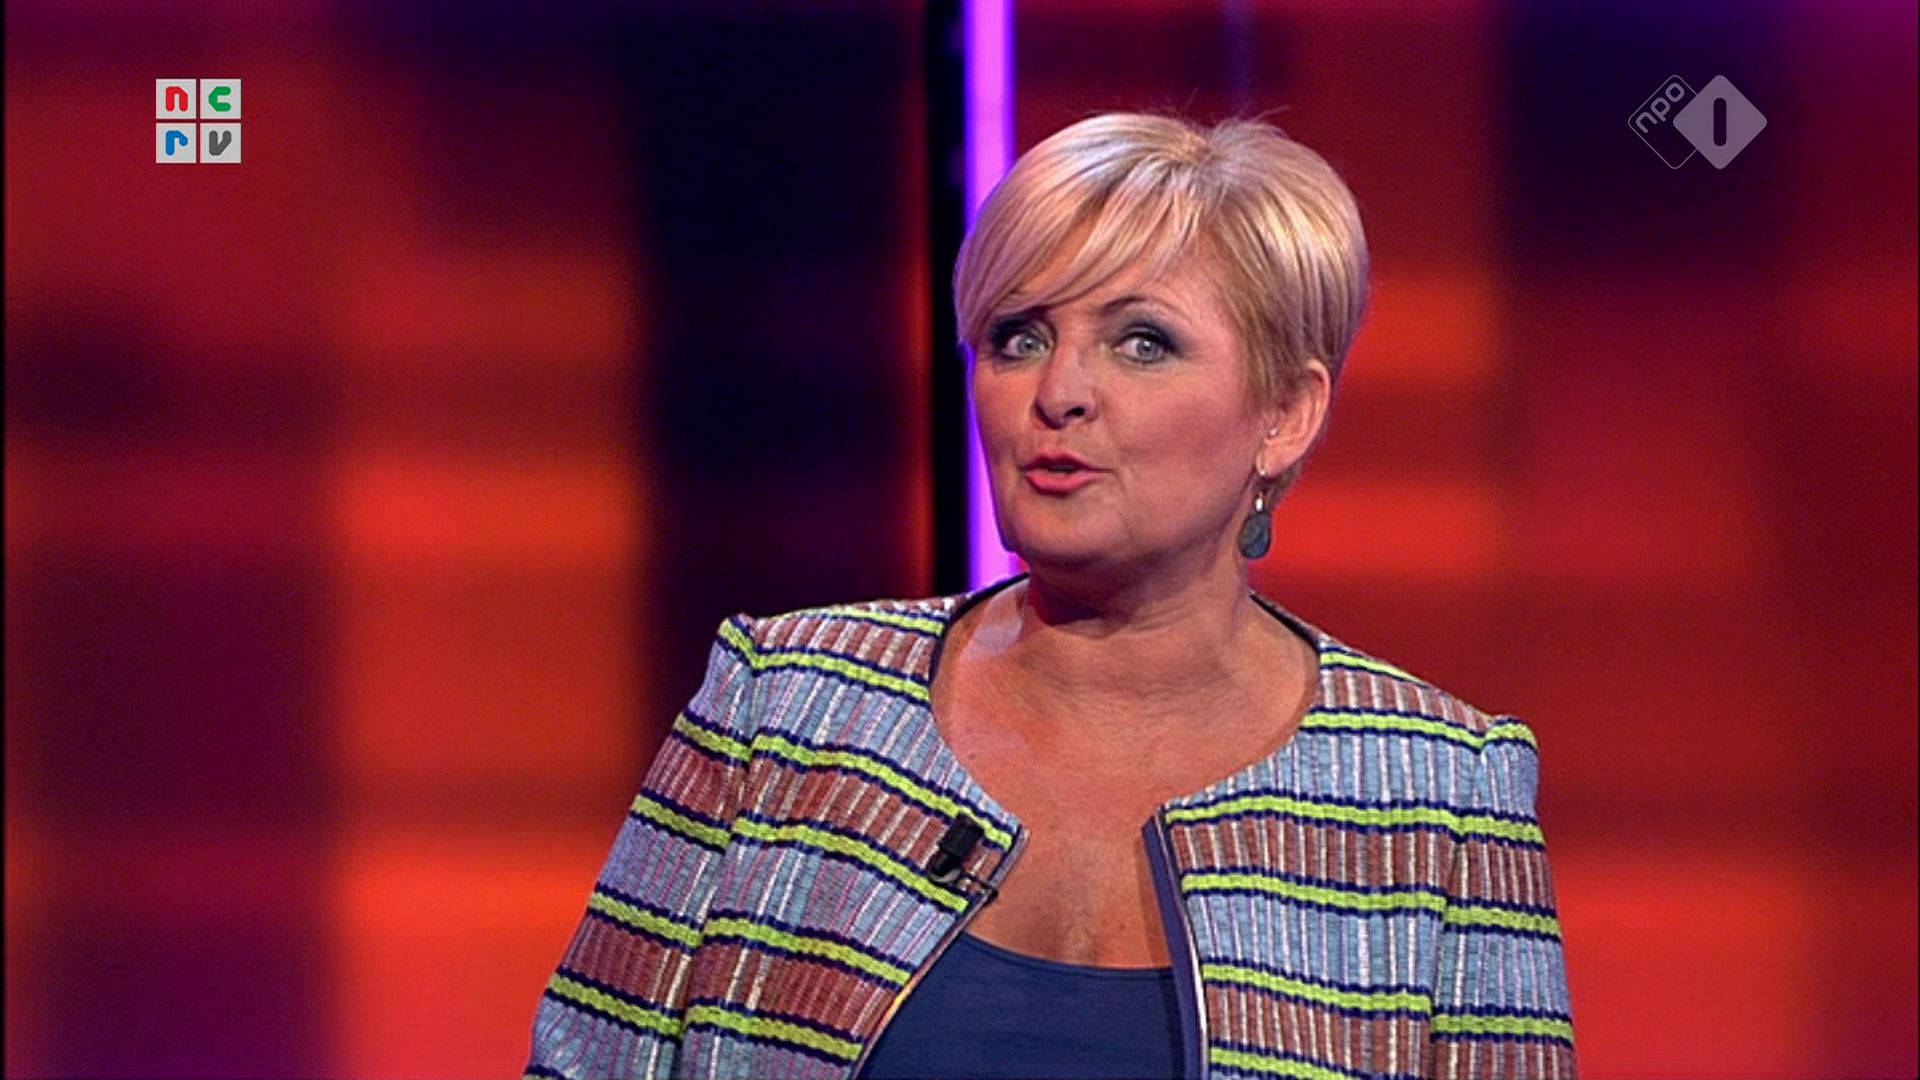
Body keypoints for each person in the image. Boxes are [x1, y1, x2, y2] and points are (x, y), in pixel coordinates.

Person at [525, 111, 1576, 1080]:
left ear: (1286, 414)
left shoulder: (1440, 796)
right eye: (1018, 338)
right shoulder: (784, 704)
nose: (1058, 392)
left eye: (1143, 342)